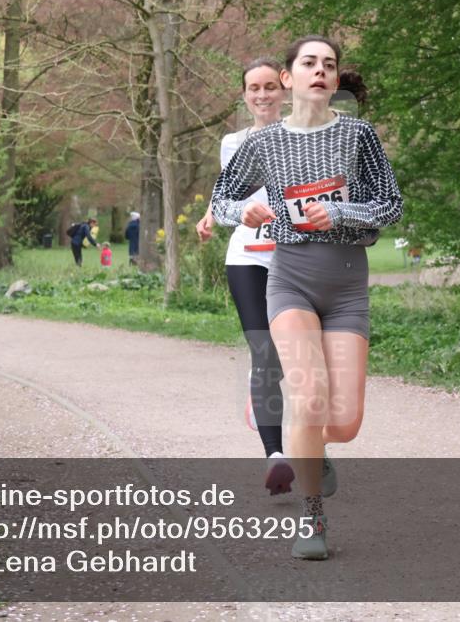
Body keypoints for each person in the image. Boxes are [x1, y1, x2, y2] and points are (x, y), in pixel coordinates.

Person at [211, 36, 403, 560]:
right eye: (309, 63)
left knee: (342, 422)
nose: (320, 70)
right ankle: (312, 521)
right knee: (308, 398)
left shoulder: (358, 136)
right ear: (289, 78)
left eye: (330, 65)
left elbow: (390, 205)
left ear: (336, 81)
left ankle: (312, 447)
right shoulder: (265, 143)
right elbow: (221, 201)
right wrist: (243, 213)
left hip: (345, 289)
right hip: (289, 278)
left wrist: (341, 214)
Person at [196, 57, 293, 496]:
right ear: (244, 94)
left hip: (295, 259)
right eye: (253, 88)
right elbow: (227, 192)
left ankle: (306, 436)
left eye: (270, 86)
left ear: (284, 89)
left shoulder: (302, 138)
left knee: (295, 357)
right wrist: (210, 215)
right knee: (263, 350)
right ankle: (275, 457)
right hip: (247, 257)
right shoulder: (233, 142)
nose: (261, 95)